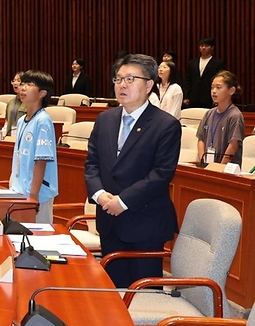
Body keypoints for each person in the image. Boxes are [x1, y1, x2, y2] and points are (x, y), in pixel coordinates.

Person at [84, 54, 181, 288]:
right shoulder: (105, 119)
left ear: (149, 85)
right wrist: (99, 194)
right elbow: (92, 163)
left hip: (144, 223)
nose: (122, 85)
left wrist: (123, 201)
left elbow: (161, 173)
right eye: (118, 79)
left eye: (130, 79)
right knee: (113, 293)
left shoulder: (165, 125)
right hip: (109, 219)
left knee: (144, 296)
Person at [9, 71, 59, 223]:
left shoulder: (43, 121)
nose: (23, 88)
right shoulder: (22, 120)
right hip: (19, 189)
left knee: (38, 240)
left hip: (37, 194)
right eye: (23, 84)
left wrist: (33, 195)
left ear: (42, 93)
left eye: (29, 85)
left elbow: (41, 161)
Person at [196, 70, 244, 166]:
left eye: (218, 87)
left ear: (231, 91)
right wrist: (203, 162)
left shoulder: (235, 115)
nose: (214, 91)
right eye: (212, 87)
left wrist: (219, 168)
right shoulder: (209, 113)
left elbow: (233, 145)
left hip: (226, 170)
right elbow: (201, 139)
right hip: (208, 166)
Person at [184, 37, 226, 107]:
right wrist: (186, 96)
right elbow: (187, 80)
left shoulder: (218, 63)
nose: (203, 48)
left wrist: (217, 98)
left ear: (212, 48)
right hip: (193, 98)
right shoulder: (192, 63)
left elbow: (221, 82)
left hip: (209, 98)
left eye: (206, 46)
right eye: (201, 46)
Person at [1, 72, 27, 137]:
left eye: (18, 81)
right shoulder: (10, 102)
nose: (15, 83)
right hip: (9, 136)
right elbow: (6, 121)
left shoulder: (29, 103)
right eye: (14, 80)